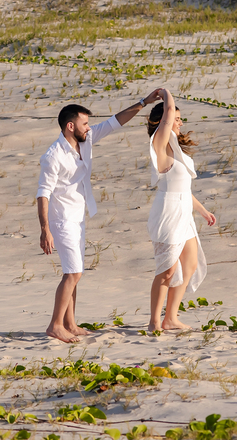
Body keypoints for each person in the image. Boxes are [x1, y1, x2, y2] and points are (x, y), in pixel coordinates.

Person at [38, 92, 161, 343]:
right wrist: (45, 230)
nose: (89, 127)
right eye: (84, 123)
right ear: (70, 126)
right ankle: (55, 325)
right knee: (73, 273)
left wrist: (144, 103)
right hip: (61, 219)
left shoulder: (85, 140)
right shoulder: (53, 156)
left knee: (76, 271)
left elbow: (115, 122)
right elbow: (43, 194)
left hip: (78, 215)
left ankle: (70, 323)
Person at [146, 88, 216, 332]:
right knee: (167, 270)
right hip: (168, 213)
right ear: (163, 122)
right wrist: (166, 94)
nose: (180, 122)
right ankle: (155, 321)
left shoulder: (176, 150)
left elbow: (183, 188)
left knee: (190, 264)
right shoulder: (159, 145)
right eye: (176, 118)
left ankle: (171, 318)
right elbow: (166, 116)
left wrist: (203, 211)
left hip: (184, 210)